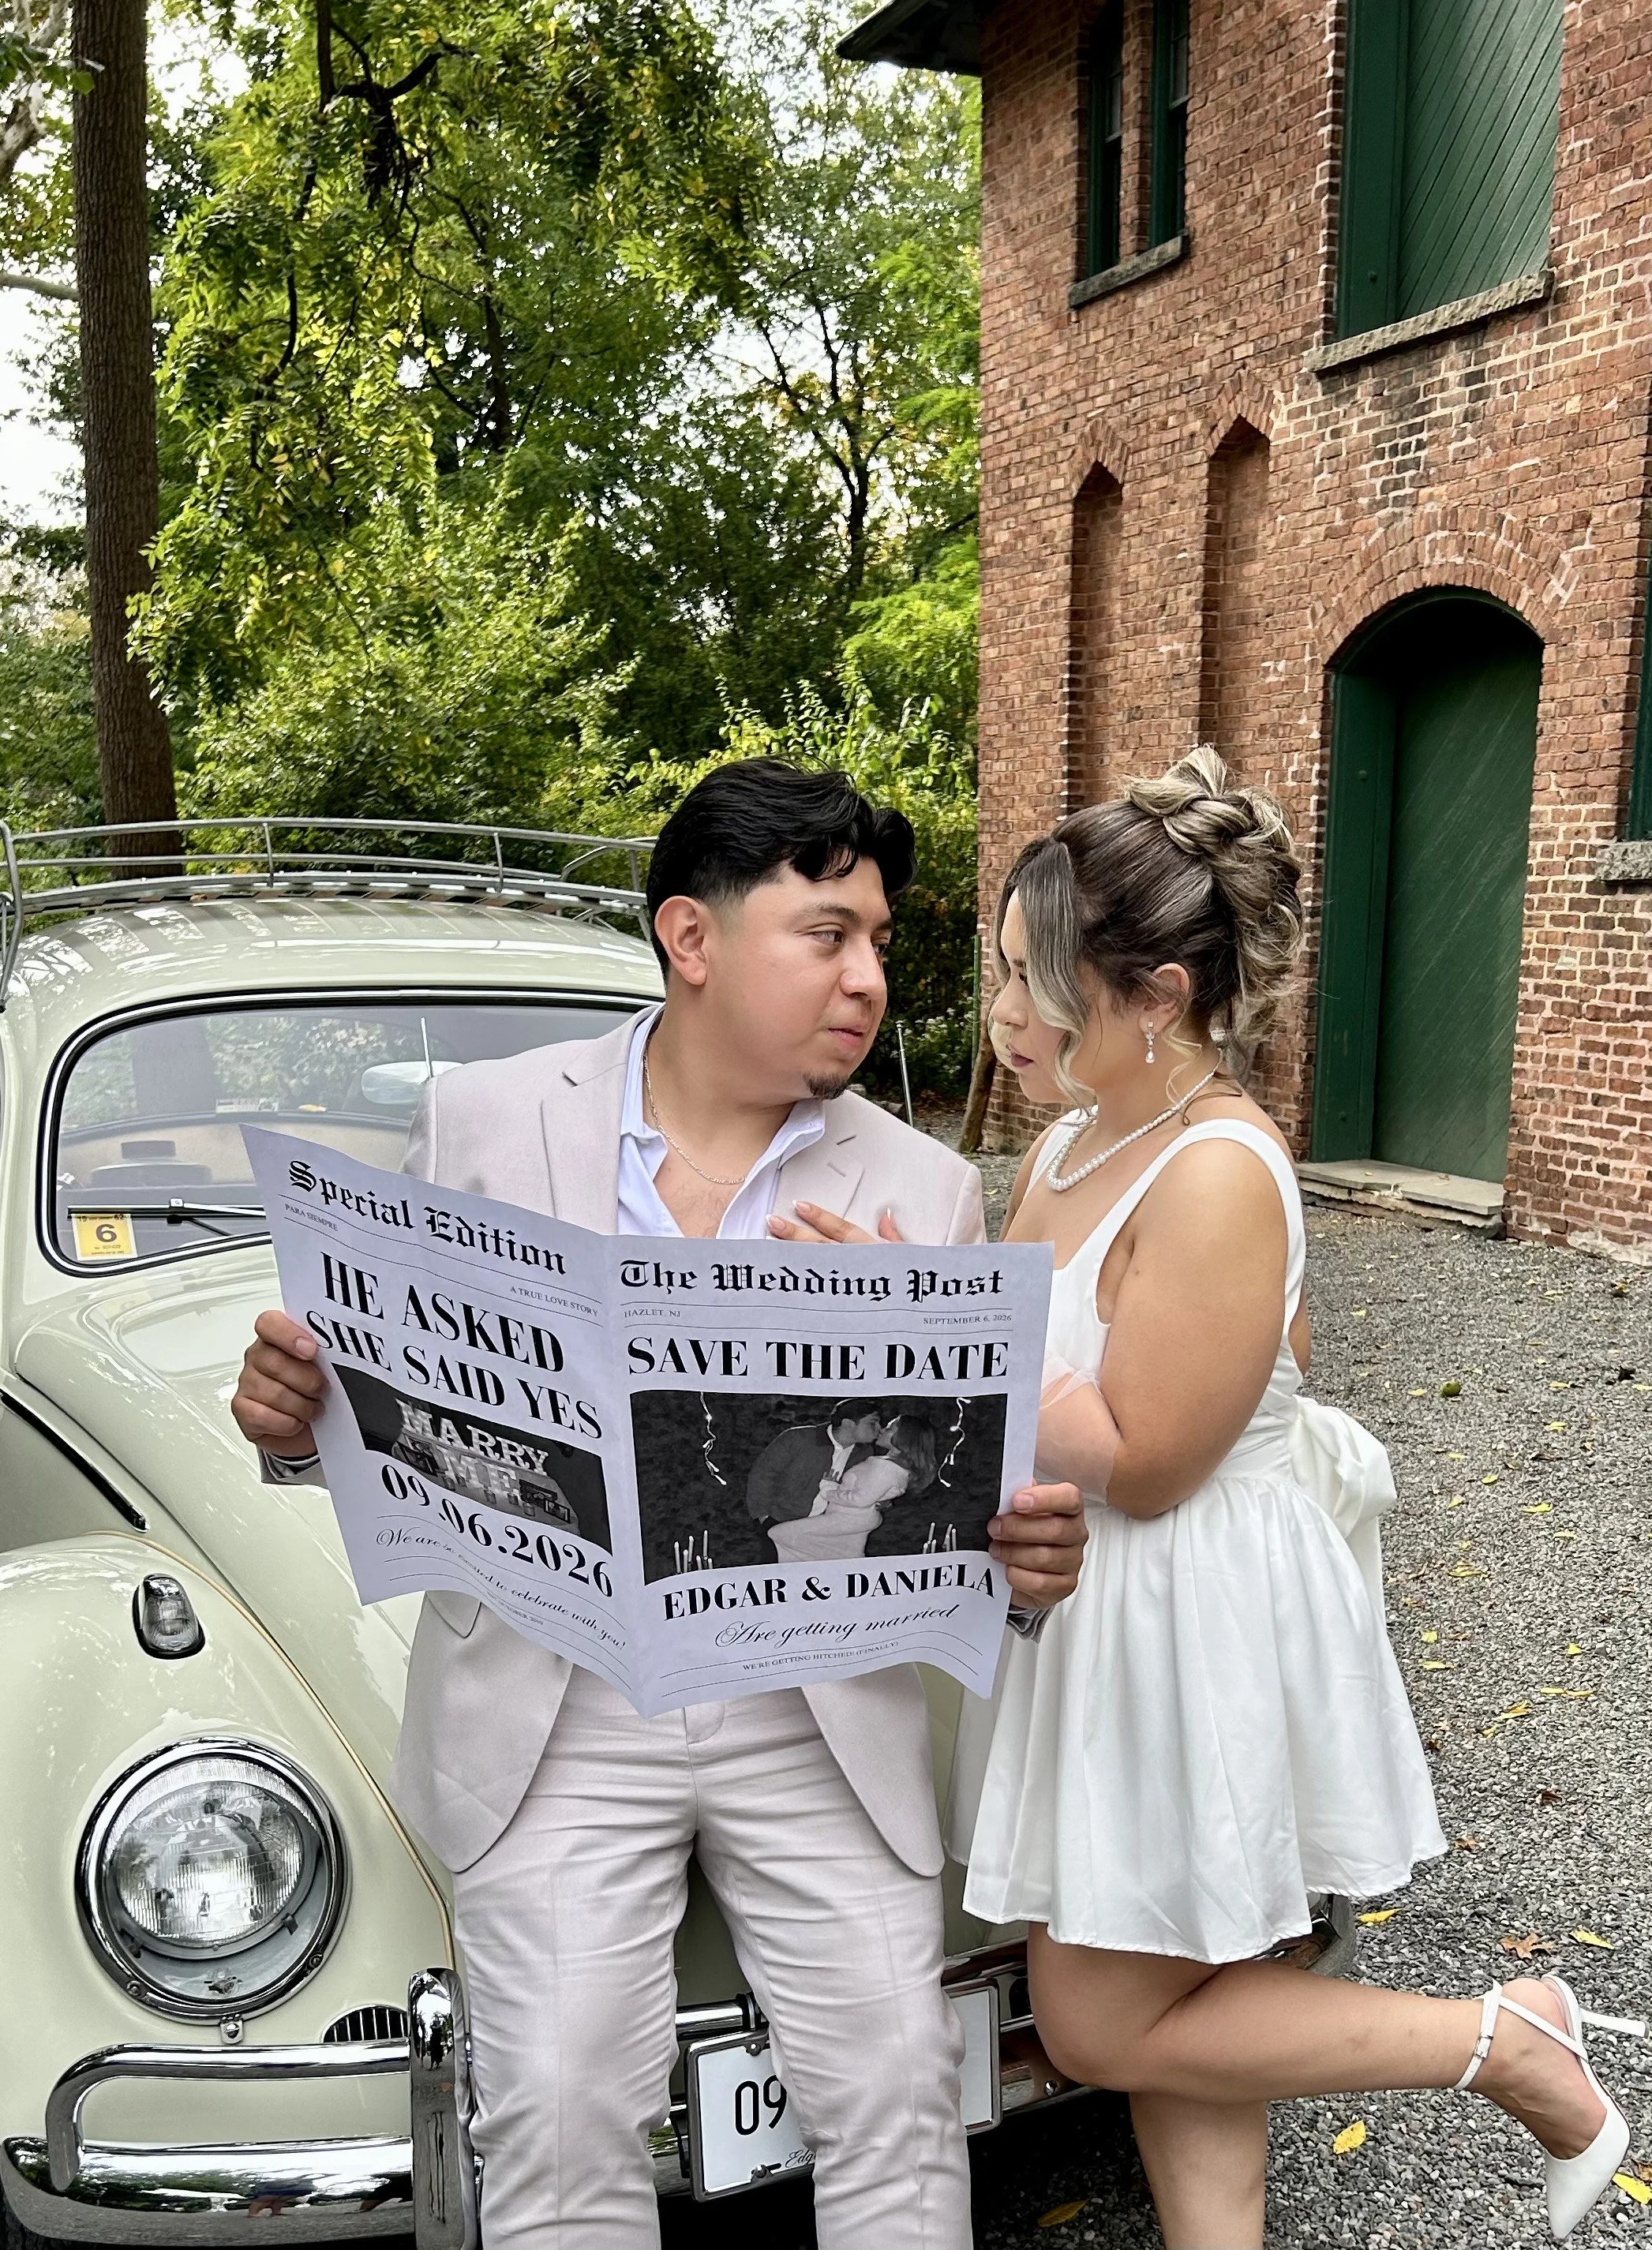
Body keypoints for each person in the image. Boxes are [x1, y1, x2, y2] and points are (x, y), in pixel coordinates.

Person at [230, 758, 1088, 2250]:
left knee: (896, 2100)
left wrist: (1024, 1560)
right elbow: (395, 1413)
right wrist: (299, 1424)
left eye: (878, 940)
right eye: (825, 935)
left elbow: (979, 1528)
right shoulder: (484, 1122)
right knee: (556, 2117)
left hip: (815, 1707)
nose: (867, 978)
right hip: (555, 1703)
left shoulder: (924, 1192)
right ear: (690, 939)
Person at [953, 748, 1631, 2249]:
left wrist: (928, 1315)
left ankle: (1505, 2039)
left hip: (1184, 1607)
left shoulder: (1216, 1167)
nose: (1003, 1013)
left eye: (1035, 977)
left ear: (1157, 994)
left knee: (1094, 2015)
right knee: (1188, 1983)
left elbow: (1143, 1452)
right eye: (1000, 971)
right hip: (1101, 1606)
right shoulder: (1071, 1139)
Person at [767, 1410, 938, 1564]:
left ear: (903, 1437)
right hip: (853, 1517)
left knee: (781, 1534)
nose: (882, 1429)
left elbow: (859, 1499)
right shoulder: (888, 1464)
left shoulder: (885, 1468)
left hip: (850, 1518)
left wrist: (828, 1488)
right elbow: (874, 1492)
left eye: (890, 1428)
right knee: (846, 1558)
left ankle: (807, 1574)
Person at [746, 1399, 884, 1544]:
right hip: (780, 1523)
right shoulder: (798, 1438)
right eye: (872, 1423)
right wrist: (763, 1516)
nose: (879, 1429)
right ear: (848, 1423)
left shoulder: (865, 1453)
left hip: (824, 1532)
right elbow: (763, 1474)